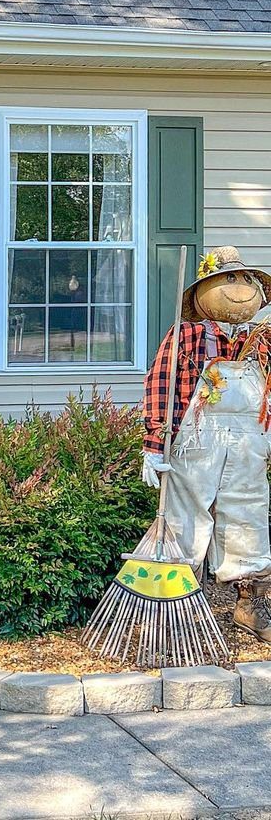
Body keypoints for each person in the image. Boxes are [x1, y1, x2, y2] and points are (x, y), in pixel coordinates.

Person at [143, 246, 271, 642]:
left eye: (246, 279)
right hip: (196, 442)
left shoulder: (261, 341)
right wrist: (154, 443)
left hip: (249, 445)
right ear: (202, 293)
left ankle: (251, 605)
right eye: (229, 279)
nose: (240, 287)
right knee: (185, 517)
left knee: (248, 515)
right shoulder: (186, 335)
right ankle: (175, 608)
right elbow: (161, 384)